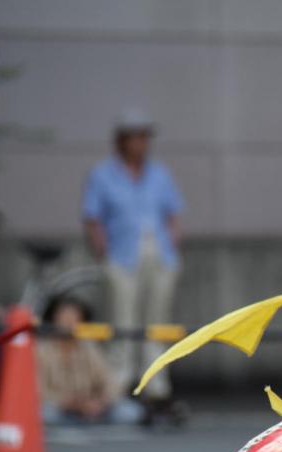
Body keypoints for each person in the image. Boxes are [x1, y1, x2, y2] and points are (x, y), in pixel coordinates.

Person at [81, 107, 187, 422]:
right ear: (121, 140)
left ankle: (157, 384)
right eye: (134, 137)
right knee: (122, 320)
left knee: (158, 320)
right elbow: (92, 218)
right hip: (122, 252)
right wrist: (103, 252)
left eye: (144, 137)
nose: (140, 143)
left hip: (159, 251)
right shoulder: (103, 174)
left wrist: (173, 243)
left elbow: (173, 213)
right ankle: (119, 382)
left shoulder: (160, 173)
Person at [36, 296, 146, 426]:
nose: (69, 322)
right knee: (45, 413)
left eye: (74, 318)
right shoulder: (42, 350)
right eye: (64, 317)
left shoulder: (88, 348)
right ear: (54, 320)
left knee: (130, 412)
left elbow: (110, 381)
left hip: (92, 407)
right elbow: (38, 389)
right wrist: (71, 403)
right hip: (60, 408)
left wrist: (100, 402)